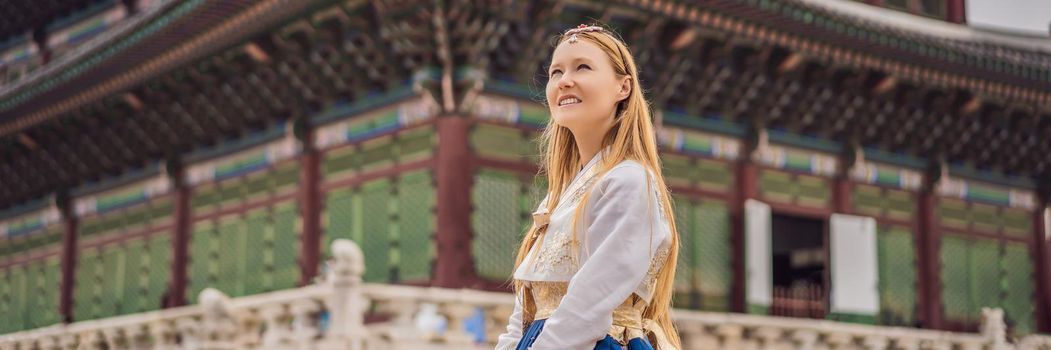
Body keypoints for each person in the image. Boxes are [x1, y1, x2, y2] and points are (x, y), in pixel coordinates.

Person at [494, 24, 682, 350]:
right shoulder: (559, 196)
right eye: (555, 72)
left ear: (623, 87)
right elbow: (526, 310)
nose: (564, 80)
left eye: (582, 67)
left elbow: (589, 304)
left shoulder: (629, 181)